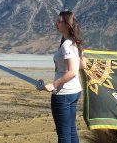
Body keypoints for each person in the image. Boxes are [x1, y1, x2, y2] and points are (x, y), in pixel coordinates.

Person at [44, 11, 86, 143]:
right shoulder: (74, 43)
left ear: (67, 25)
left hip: (63, 94)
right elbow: (82, 65)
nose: (56, 23)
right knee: (72, 131)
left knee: (64, 136)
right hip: (74, 92)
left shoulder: (67, 45)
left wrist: (54, 85)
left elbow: (72, 71)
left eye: (59, 21)